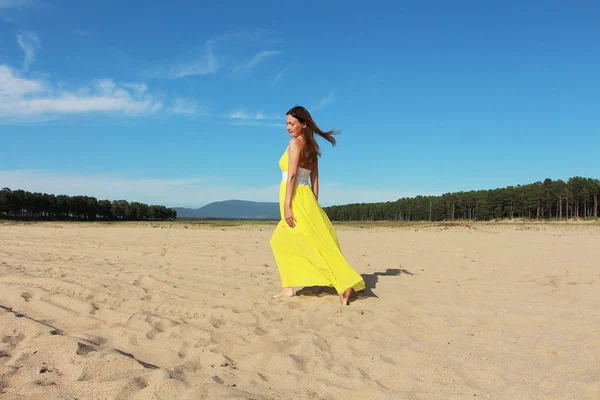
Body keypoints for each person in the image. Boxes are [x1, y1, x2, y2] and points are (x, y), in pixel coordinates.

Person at [269, 105, 365, 305]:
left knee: (280, 241)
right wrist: (314, 205)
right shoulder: (313, 147)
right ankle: (290, 286)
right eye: (286, 123)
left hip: (294, 197)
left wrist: (288, 206)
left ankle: (340, 284)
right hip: (307, 198)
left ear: (303, 125)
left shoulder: (295, 144)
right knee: (313, 242)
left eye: (291, 123)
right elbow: (316, 180)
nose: (287, 127)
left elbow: (293, 176)